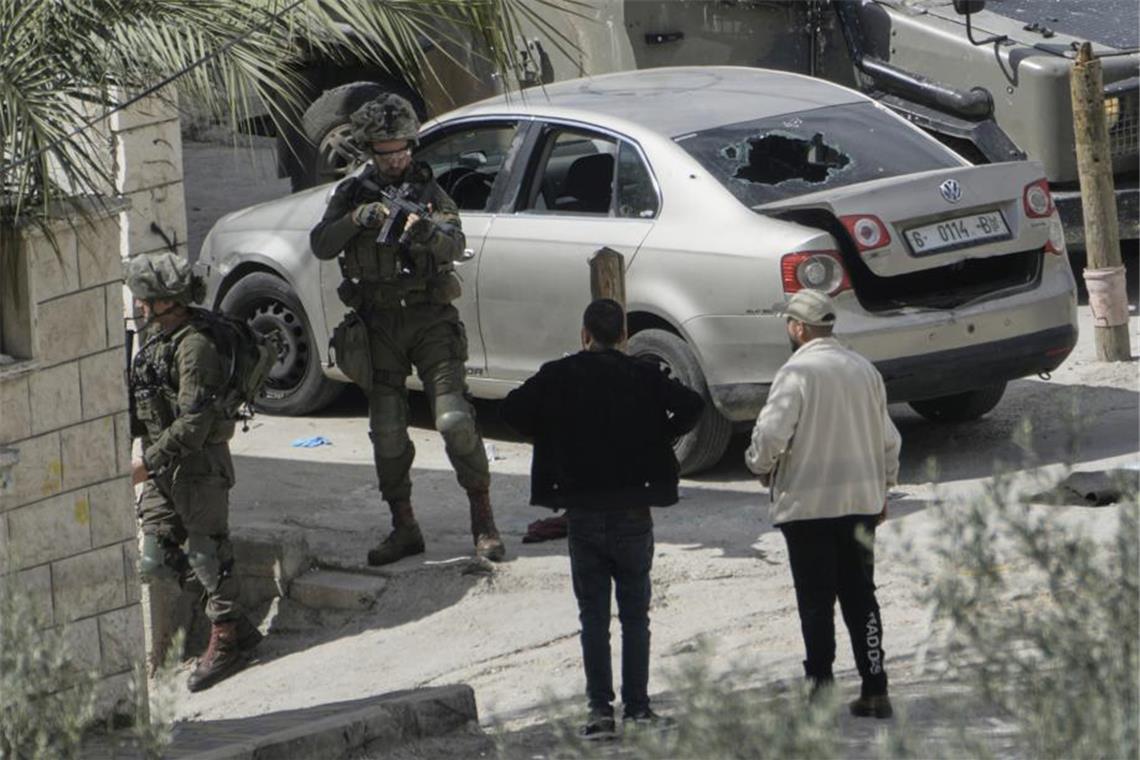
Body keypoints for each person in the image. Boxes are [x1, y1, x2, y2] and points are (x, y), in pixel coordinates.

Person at [310, 93, 504, 565]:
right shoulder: (352, 194)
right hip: (378, 323)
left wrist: (425, 233)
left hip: (429, 319)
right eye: (386, 153)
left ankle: (483, 518)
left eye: (402, 151)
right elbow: (321, 243)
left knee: (453, 420)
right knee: (388, 431)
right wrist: (358, 219)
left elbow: (455, 243)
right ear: (371, 152)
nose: (397, 161)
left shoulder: (428, 192)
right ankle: (404, 526)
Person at [501, 299, 704, 738]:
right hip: (633, 511)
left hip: (584, 514)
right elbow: (692, 406)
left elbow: (513, 410)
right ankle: (638, 709)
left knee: (593, 616)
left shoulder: (559, 375)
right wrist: (659, 436)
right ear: (624, 336)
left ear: (584, 334)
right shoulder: (645, 375)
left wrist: (554, 436)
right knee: (635, 616)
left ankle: (599, 713)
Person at [745, 288, 901, 719]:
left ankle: (820, 690)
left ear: (798, 328)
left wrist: (758, 464)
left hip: (808, 509)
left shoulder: (797, 373)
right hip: (860, 503)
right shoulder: (863, 369)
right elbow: (890, 439)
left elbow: (772, 434)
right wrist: (884, 487)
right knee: (861, 598)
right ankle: (875, 687)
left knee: (816, 602)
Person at [126, 252, 262, 692]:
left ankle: (228, 639)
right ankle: (236, 624)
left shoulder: (195, 346)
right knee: (156, 560)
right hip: (165, 468)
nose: (139, 304)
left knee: (207, 554)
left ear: (168, 301)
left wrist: (145, 464)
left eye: (145, 297)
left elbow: (193, 423)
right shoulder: (160, 339)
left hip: (198, 466)